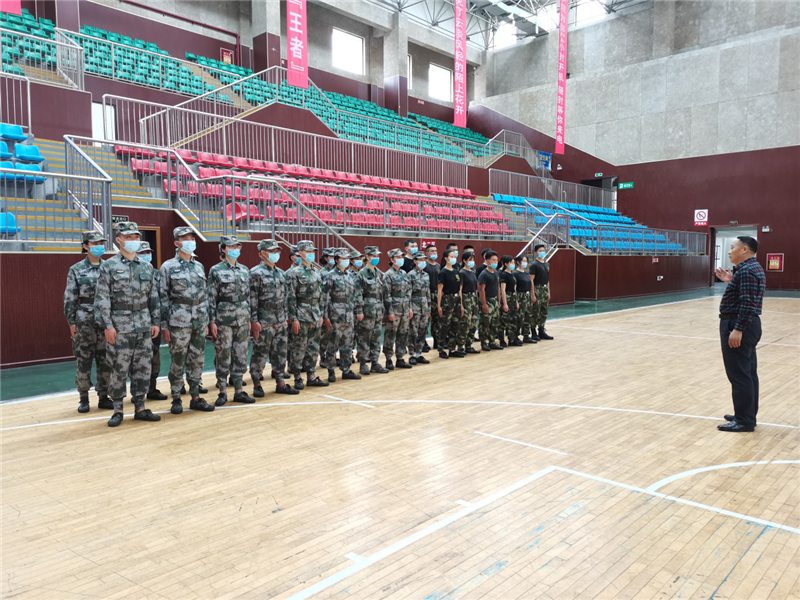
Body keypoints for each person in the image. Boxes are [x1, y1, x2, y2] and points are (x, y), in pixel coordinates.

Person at [94, 222, 161, 427]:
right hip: (119, 326)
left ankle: (140, 407)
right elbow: (102, 298)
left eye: (136, 237)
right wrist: (107, 325)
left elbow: (153, 296)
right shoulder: (109, 266)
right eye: (128, 237)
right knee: (118, 368)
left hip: (143, 324)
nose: (133, 241)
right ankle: (117, 409)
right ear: (119, 240)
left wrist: (155, 321)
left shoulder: (146, 267)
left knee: (143, 368)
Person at [158, 227, 215, 414]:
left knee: (197, 360)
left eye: (192, 238)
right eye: (185, 238)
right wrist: (164, 326)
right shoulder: (168, 267)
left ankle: (196, 397)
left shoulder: (199, 266)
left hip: (199, 320)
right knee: (178, 361)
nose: (190, 241)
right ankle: (176, 398)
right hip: (178, 322)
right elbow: (163, 298)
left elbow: (204, 296)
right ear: (177, 243)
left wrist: (206, 320)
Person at [714, 236, 766, 433]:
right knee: (748, 372)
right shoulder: (750, 269)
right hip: (746, 323)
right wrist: (731, 281)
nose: (729, 251)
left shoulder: (746, 271)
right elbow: (745, 296)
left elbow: (747, 303)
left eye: (732, 247)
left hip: (739, 323)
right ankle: (746, 414)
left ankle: (744, 421)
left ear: (744, 250)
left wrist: (738, 329)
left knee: (739, 374)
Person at [64, 230, 112, 413]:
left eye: (101, 243)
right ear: (85, 246)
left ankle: (104, 396)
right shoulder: (76, 269)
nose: (99, 246)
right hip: (84, 320)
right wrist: (71, 321)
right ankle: (83, 398)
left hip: (105, 320)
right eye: (95, 243)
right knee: (83, 360)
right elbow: (70, 297)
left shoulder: (109, 267)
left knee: (105, 359)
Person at [207, 235, 255, 406]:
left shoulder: (244, 270)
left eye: (237, 247)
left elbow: (248, 296)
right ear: (223, 249)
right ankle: (222, 391)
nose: (235, 250)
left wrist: (249, 318)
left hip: (242, 318)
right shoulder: (216, 270)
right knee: (223, 354)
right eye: (231, 247)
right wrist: (212, 321)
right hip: (224, 319)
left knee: (241, 354)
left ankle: (239, 391)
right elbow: (211, 297)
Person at [248, 239, 299, 397]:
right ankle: (257, 383)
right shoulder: (255, 273)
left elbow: (286, 298)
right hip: (264, 320)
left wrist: (287, 317)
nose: (275, 254)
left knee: (280, 352)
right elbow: (252, 299)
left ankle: (280, 382)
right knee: (260, 353)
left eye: (277, 251)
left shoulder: (281, 273)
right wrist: (254, 321)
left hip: (280, 319)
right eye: (271, 251)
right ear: (262, 253)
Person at [286, 240, 329, 389]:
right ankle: (297, 377)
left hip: (315, 315)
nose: (311, 254)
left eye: (312, 252)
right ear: (301, 253)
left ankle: (311, 375)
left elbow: (320, 296)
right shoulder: (294, 273)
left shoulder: (316, 272)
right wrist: (294, 318)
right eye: (308, 251)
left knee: (313, 347)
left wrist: (321, 314)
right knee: (299, 347)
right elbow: (291, 297)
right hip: (301, 315)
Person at [133, 241, 168, 401]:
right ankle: (137, 391)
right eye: (142, 253)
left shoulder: (157, 274)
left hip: (154, 320)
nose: (146, 255)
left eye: (148, 252)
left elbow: (163, 297)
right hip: (136, 320)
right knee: (136, 358)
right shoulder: (131, 272)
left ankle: (152, 388)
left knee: (154, 355)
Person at [322, 249, 364, 382]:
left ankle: (346, 370)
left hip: (349, 315)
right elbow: (325, 298)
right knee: (332, 345)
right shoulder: (330, 276)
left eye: (347, 258)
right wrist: (325, 316)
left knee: (347, 345)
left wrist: (358, 311)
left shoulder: (350, 276)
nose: (346, 260)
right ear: (336, 260)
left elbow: (355, 295)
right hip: (335, 316)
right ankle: (331, 370)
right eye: (343, 258)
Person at [356, 246, 388, 375]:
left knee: (376, 338)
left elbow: (380, 294)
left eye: (378, 256)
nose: (376, 258)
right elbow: (358, 294)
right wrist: (359, 311)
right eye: (374, 256)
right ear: (367, 257)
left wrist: (382, 309)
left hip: (377, 311)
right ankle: (363, 363)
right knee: (364, 338)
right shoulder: (362, 274)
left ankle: (375, 362)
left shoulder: (377, 273)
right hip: (367, 312)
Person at [382, 248, 413, 369]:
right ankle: (388, 359)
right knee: (390, 334)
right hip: (394, 310)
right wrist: (389, 312)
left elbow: (408, 292)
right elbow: (386, 295)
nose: (401, 259)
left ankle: (400, 358)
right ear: (392, 260)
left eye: (402, 257)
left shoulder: (404, 274)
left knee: (403, 334)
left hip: (404, 309)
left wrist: (409, 307)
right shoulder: (388, 275)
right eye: (398, 257)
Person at [437, 248, 464, 358]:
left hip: (456, 299)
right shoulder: (443, 272)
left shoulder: (456, 272)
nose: (454, 258)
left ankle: (452, 349)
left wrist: (461, 305)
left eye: (454, 257)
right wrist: (439, 305)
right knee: (445, 325)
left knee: (455, 325)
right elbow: (440, 290)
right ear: (446, 258)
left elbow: (459, 290)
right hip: (447, 300)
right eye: (451, 257)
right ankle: (441, 349)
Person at [407, 251, 431, 365]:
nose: (423, 262)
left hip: (424, 307)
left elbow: (428, 292)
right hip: (414, 307)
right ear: (415, 261)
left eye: (424, 260)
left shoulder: (426, 275)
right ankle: (411, 354)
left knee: (423, 331)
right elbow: (408, 293)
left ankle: (419, 354)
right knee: (413, 331)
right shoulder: (410, 275)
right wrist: (409, 308)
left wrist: (429, 308)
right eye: (420, 260)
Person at [478, 251, 503, 351]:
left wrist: (499, 300)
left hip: (495, 300)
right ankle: (484, 342)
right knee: (485, 322)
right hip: (487, 300)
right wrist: (484, 304)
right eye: (493, 260)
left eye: (496, 260)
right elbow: (481, 289)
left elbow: (498, 287)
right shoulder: (484, 274)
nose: (495, 262)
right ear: (488, 261)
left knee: (495, 322)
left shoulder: (496, 272)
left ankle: (492, 341)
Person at [457, 251, 481, 355]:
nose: (472, 262)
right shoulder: (462, 273)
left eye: (473, 259)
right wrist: (461, 305)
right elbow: (460, 290)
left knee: (473, 322)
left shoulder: (472, 272)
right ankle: (460, 346)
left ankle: (469, 345)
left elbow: (476, 289)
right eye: (470, 260)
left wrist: (477, 302)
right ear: (464, 261)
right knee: (465, 323)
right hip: (465, 298)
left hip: (473, 298)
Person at [531, 244, 554, 340]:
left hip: (544, 289)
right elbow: (531, 280)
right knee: (536, 311)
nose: (542, 252)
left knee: (544, 311)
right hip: (537, 288)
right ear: (536, 253)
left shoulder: (547, 264)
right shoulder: (534, 265)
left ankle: (541, 330)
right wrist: (533, 294)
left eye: (543, 250)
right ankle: (533, 332)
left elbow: (547, 280)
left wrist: (548, 291)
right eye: (540, 251)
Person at [499, 255, 523, 347]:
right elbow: (503, 290)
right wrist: (505, 303)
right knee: (504, 320)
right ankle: (501, 340)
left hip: (513, 298)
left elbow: (515, 289)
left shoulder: (512, 275)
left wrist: (516, 301)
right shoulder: (504, 275)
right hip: (507, 297)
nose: (513, 264)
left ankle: (511, 339)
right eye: (511, 263)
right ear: (506, 264)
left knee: (513, 319)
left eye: (513, 262)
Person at [514, 254, 537, 344]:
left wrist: (532, 295)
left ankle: (526, 335)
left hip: (527, 296)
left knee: (528, 316)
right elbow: (514, 288)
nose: (525, 263)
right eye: (523, 261)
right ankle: (515, 336)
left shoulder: (526, 273)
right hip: (520, 296)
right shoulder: (515, 274)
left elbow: (531, 285)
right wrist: (516, 300)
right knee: (519, 317)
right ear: (518, 262)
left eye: (526, 261)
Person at [424, 244, 440, 351]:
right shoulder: (424, 265)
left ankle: (437, 340)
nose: (434, 253)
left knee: (437, 319)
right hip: (427, 295)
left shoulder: (439, 266)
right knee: (426, 319)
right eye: (432, 251)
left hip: (437, 295)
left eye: (435, 251)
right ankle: (423, 341)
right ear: (427, 253)